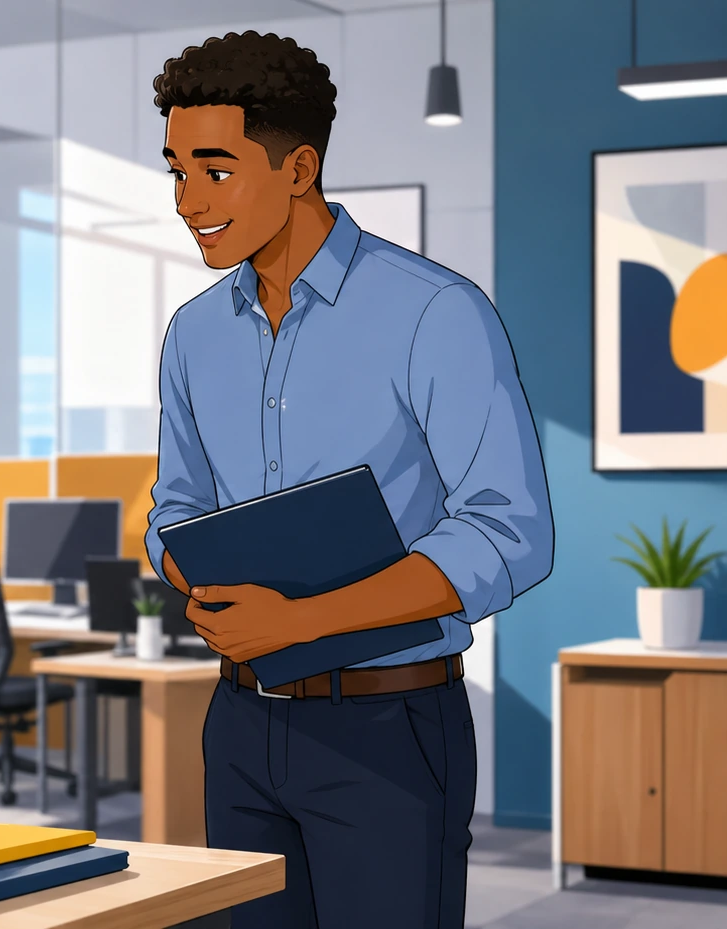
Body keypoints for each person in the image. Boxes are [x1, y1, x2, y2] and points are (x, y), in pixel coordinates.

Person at [142, 32, 553, 928]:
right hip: (241, 725)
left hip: (389, 731)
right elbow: (172, 508)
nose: (185, 201)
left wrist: (299, 620)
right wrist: (193, 578)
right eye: (174, 170)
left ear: (298, 168)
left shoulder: (434, 312)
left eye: (213, 171)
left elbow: (507, 532)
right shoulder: (192, 335)